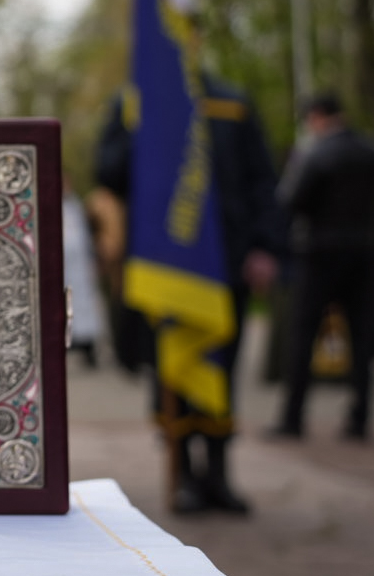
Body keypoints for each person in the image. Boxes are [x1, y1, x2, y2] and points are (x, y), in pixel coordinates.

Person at [97, 74, 284, 514]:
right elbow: (108, 173)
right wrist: (140, 128)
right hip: (165, 265)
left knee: (219, 370)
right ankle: (182, 475)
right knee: (172, 372)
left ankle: (218, 475)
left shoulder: (232, 100)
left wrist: (265, 245)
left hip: (227, 260)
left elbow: (261, 179)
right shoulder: (133, 100)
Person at [273, 92, 374, 441]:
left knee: (303, 335)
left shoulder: (315, 154)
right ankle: (360, 419)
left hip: (319, 254)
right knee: (362, 338)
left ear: (318, 117)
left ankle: (293, 417)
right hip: (365, 255)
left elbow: (291, 201)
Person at [62, 177, 106, 368]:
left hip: (80, 265)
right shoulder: (56, 206)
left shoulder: (76, 206)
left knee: (87, 307)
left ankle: (89, 348)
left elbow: (85, 236)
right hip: (65, 266)